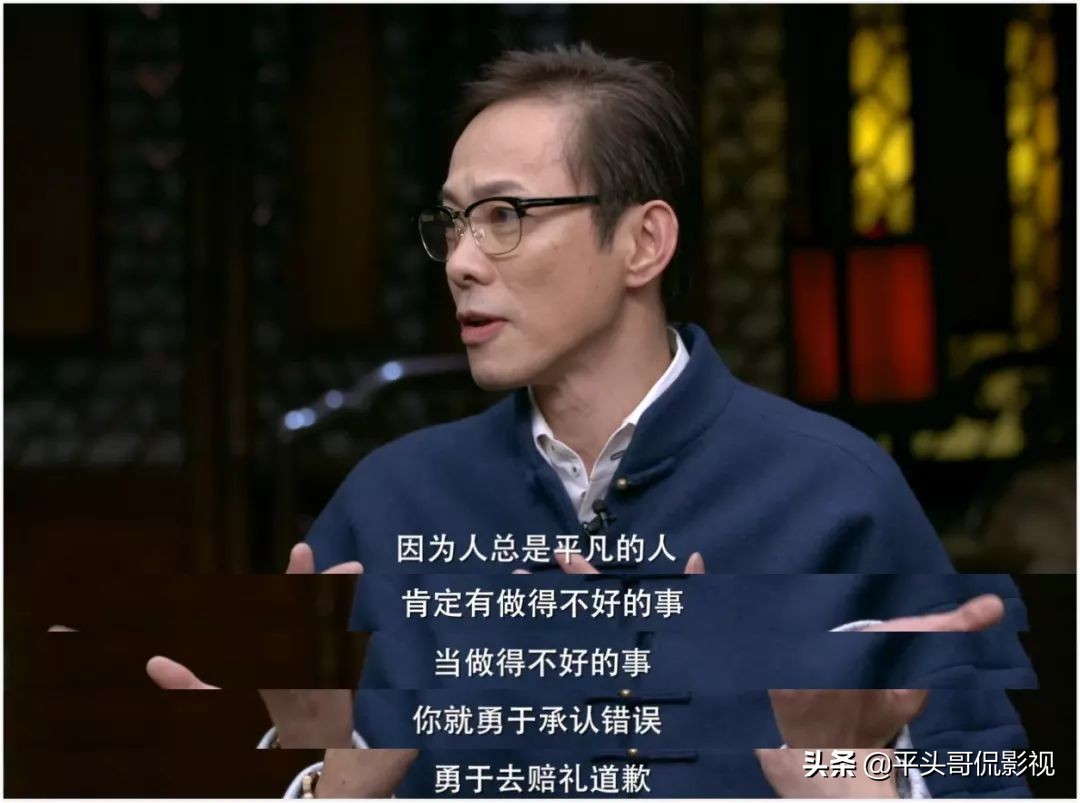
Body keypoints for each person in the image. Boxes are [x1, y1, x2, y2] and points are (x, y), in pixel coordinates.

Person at [146, 43, 1036, 797]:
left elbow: (990, 772)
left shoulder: (835, 491)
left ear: (644, 242)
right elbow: (294, 757)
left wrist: (865, 787)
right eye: (452, 223)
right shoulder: (390, 504)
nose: (460, 262)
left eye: (505, 216)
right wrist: (326, 781)